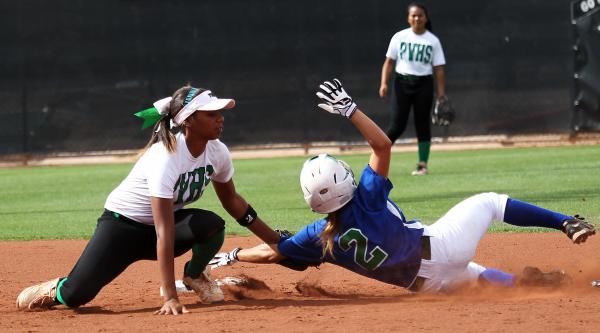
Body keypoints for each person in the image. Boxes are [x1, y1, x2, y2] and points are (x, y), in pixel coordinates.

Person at [210, 78, 596, 294]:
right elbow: (382, 144)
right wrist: (350, 109)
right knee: (490, 201)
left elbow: (275, 251)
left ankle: (540, 284)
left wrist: (234, 255)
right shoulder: (368, 198)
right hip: (442, 246)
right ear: (344, 180)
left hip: (426, 283)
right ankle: (566, 222)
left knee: (478, 275)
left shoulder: (318, 236)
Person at [16, 85, 280, 315]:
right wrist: (169, 296)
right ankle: (55, 289)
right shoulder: (166, 156)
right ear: (188, 120)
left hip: (160, 228)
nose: (220, 119)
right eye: (211, 114)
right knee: (77, 296)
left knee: (211, 225)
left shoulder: (217, 151)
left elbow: (232, 200)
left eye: (220, 113)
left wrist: (276, 242)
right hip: (122, 228)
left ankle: (195, 274)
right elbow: (164, 231)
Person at [379, 3, 446, 175]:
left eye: (420, 15)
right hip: (402, 83)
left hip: (424, 84)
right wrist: (384, 83)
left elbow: (438, 69)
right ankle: (378, 157)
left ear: (426, 18)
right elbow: (389, 62)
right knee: (397, 125)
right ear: (408, 18)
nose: (417, 18)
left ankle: (422, 164)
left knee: (422, 124)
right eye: (413, 15)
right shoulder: (399, 37)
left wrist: (441, 94)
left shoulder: (433, 41)